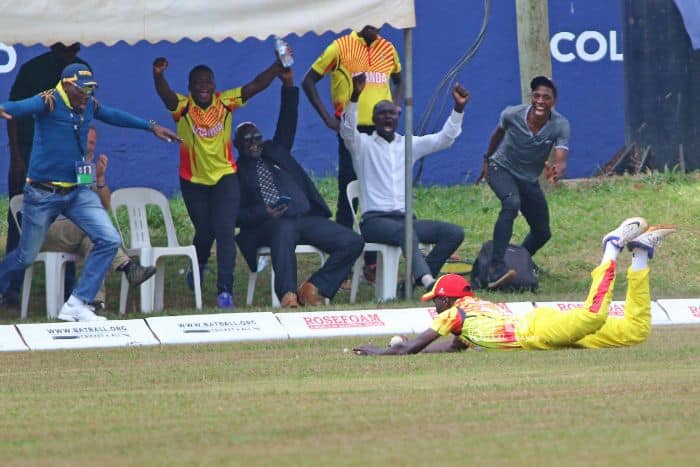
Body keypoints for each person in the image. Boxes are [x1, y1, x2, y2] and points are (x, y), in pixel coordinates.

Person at [0, 63, 180, 321]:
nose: (87, 95)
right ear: (67, 85)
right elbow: (19, 107)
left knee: (108, 239)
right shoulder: (49, 101)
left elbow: (114, 115)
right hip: (43, 194)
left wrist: (150, 126)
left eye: (90, 90)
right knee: (25, 257)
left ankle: (78, 302)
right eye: (83, 90)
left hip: (77, 191)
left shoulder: (88, 105)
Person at [353, 217, 676, 355]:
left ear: (448, 300)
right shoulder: (473, 314)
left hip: (538, 332)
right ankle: (641, 256)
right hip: (543, 329)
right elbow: (451, 347)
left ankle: (612, 246)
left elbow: (415, 347)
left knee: (593, 314)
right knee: (635, 332)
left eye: (436, 300)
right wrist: (407, 348)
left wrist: (385, 351)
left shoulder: (454, 314)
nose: (434, 306)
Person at [152, 54, 285, 308]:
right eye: (198, 83)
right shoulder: (183, 107)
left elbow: (255, 85)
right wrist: (158, 75)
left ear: (214, 85)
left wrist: (277, 68)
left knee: (225, 232)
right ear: (190, 88)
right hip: (193, 181)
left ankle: (225, 291)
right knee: (205, 232)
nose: (204, 87)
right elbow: (165, 94)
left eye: (208, 82)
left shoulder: (225, 102)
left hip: (225, 177)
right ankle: (199, 264)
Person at [236, 67, 364, 307]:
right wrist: (265, 212)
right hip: (268, 223)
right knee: (282, 230)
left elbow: (287, 121)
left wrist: (288, 85)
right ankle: (287, 295)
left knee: (353, 241)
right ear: (237, 145)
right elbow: (236, 215)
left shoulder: (275, 151)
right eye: (247, 139)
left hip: (304, 217)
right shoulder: (234, 171)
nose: (254, 143)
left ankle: (313, 287)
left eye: (257, 137)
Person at [339, 74, 467, 294]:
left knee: (454, 233)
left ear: (397, 118)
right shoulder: (362, 146)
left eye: (392, 114)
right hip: (375, 222)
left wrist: (458, 109)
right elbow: (347, 130)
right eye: (382, 114)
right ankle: (427, 282)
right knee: (406, 232)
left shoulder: (408, 144)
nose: (388, 118)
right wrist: (354, 97)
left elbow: (444, 139)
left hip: (405, 219)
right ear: (374, 119)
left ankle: (412, 281)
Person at [302, 25, 402, 282]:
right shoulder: (340, 47)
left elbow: (400, 79)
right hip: (353, 130)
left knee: (377, 195)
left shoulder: (388, 48)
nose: (375, 26)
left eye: (379, 21)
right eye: (369, 21)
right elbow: (309, 80)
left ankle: (372, 262)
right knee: (349, 195)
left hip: (382, 131)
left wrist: (395, 107)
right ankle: (342, 262)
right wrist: (327, 118)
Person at [3, 43, 89, 307]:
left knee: (72, 213)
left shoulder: (84, 70)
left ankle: (67, 288)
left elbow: (88, 114)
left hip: (66, 154)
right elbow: (13, 115)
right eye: (64, 46)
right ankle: (11, 288)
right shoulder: (33, 70)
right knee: (22, 217)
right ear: (53, 44)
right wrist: (17, 157)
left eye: (74, 46)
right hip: (32, 152)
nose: (69, 50)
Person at [38, 126, 157, 311]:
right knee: (97, 228)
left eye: (93, 142)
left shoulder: (84, 167)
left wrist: (100, 178)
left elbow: (105, 205)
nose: (90, 146)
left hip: (78, 231)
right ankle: (127, 267)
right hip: (48, 229)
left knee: (96, 242)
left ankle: (94, 304)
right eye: (86, 140)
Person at [478, 75, 570, 289]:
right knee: (511, 203)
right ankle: (496, 266)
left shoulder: (560, 124)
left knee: (542, 232)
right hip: (500, 168)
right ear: (531, 98)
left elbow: (561, 154)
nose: (540, 100)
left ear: (552, 102)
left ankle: (519, 261)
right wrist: (486, 159)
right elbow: (497, 134)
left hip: (528, 179)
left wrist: (559, 168)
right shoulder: (512, 114)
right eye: (536, 96)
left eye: (546, 97)